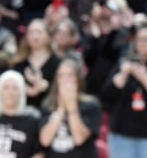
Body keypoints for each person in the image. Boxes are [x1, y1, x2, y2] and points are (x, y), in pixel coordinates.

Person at [38, 57, 102, 158]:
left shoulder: (91, 105)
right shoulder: (48, 105)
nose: (65, 80)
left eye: (70, 75)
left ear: (78, 79)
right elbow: (45, 141)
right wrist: (61, 109)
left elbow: (79, 139)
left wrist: (71, 106)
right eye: (61, 76)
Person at [101, 24, 147, 157]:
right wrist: (122, 76)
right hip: (121, 134)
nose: (143, 43)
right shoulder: (123, 63)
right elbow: (106, 98)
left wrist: (141, 76)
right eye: (140, 39)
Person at [0, 70, 43, 158]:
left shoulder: (32, 120)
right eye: (6, 88)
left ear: (22, 92)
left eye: (15, 88)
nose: (10, 93)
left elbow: (39, 153)